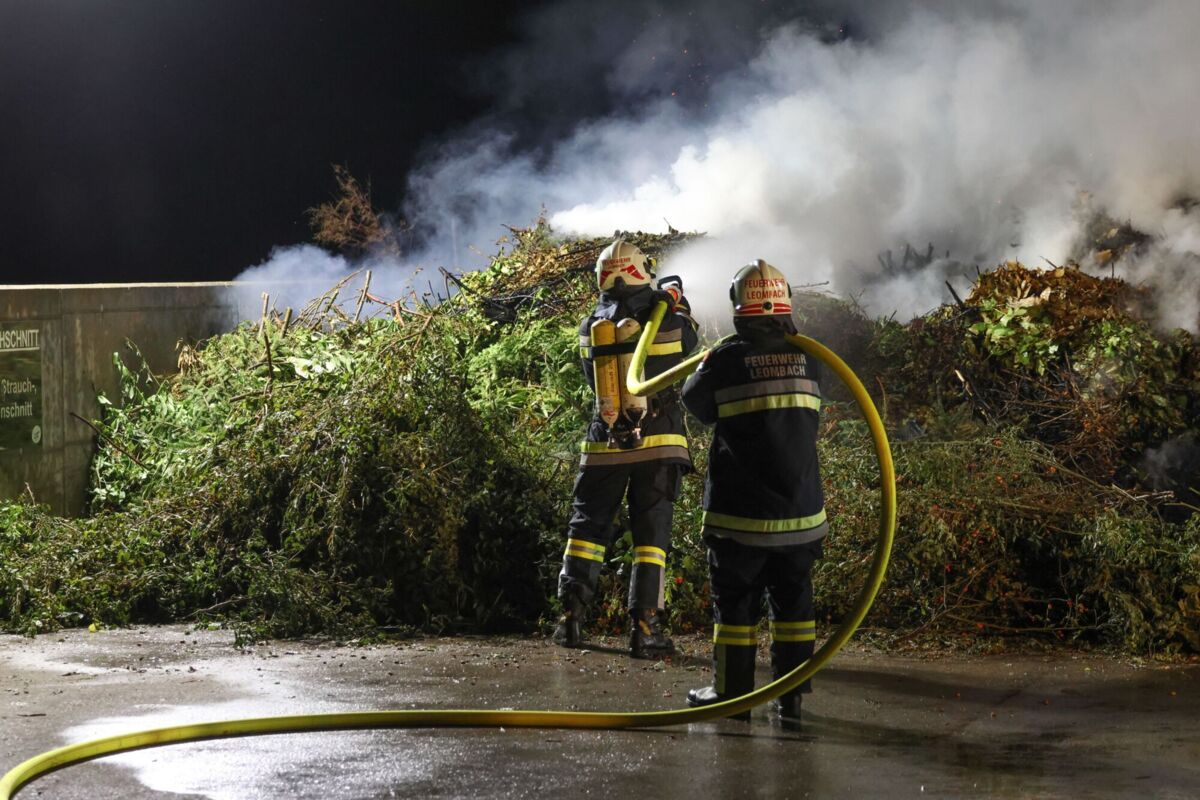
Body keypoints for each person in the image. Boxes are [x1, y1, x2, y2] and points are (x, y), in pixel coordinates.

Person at [680, 259, 827, 726]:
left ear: (737, 305)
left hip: (739, 518)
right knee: (795, 607)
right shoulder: (811, 357)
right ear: (786, 304)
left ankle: (733, 695)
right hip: (801, 514)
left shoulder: (724, 361)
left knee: (736, 609)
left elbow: (694, 402)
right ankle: (791, 698)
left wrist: (711, 362)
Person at [553, 238, 699, 659]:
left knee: (586, 530)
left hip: (605, 443)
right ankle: (644, 627)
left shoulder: (589, 327)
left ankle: (570, 619)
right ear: (641, 270)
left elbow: (592, 379)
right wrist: (676, 301)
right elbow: (689, 343)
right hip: (657, 443)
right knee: (651, 537)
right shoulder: (668, 321)